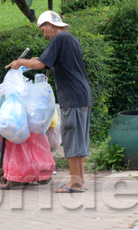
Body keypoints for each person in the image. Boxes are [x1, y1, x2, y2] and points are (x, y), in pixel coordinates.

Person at [6, 10, 92, 193]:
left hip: (73, 96)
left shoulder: (59, 39)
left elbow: (40, 64)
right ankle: (79, 181)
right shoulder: (69, 39)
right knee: (79, 140)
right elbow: (43, 60)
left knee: (71, 139)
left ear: (51, 25)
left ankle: (76, 183)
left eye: (43, 29)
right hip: (81, 95)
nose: (44, 34)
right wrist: (27, 61)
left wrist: (20, 62)